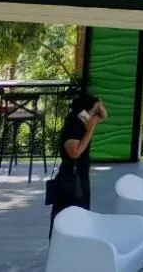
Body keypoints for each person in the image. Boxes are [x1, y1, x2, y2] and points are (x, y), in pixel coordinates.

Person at [47, 91, 105, 233]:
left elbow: (103, 115)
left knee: (82, 212)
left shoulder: (83, 119)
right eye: (93, 111)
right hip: (71, 176)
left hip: (81, 173)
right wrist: (90, 131)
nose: (95, 115)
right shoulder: (74, 123)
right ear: (85, 111)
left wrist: (98, 104)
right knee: (69, 214)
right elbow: (74, 153)